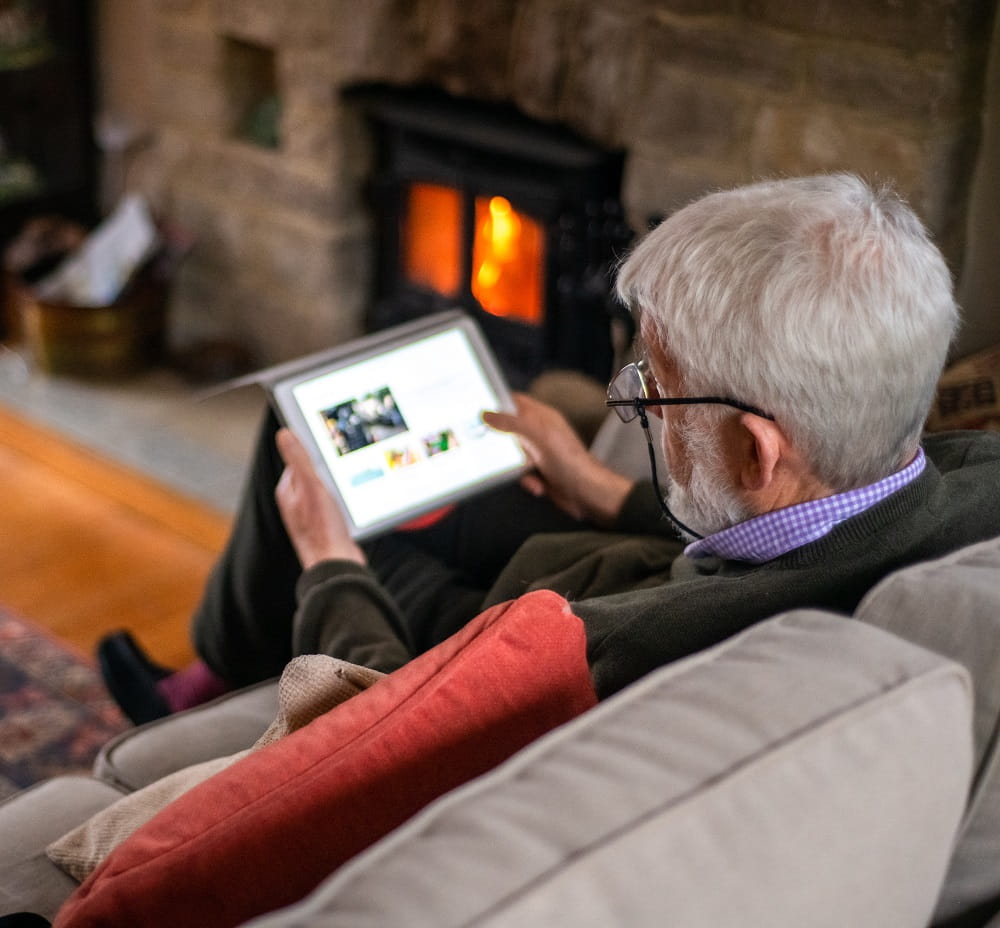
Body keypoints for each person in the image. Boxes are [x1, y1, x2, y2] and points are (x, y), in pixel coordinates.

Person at [99, 173, 1000, 724]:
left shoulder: (621, 653)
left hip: (492, 624)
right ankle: (216, 663)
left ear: (757, 453)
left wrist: (331, 566)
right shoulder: (973, 484)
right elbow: (788, 523)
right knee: (334, 441)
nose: (633, 402)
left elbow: (377, 721)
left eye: (654, 388)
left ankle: (208, 674)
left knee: (298, 447)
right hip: (602, 554)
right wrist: (605, 489)